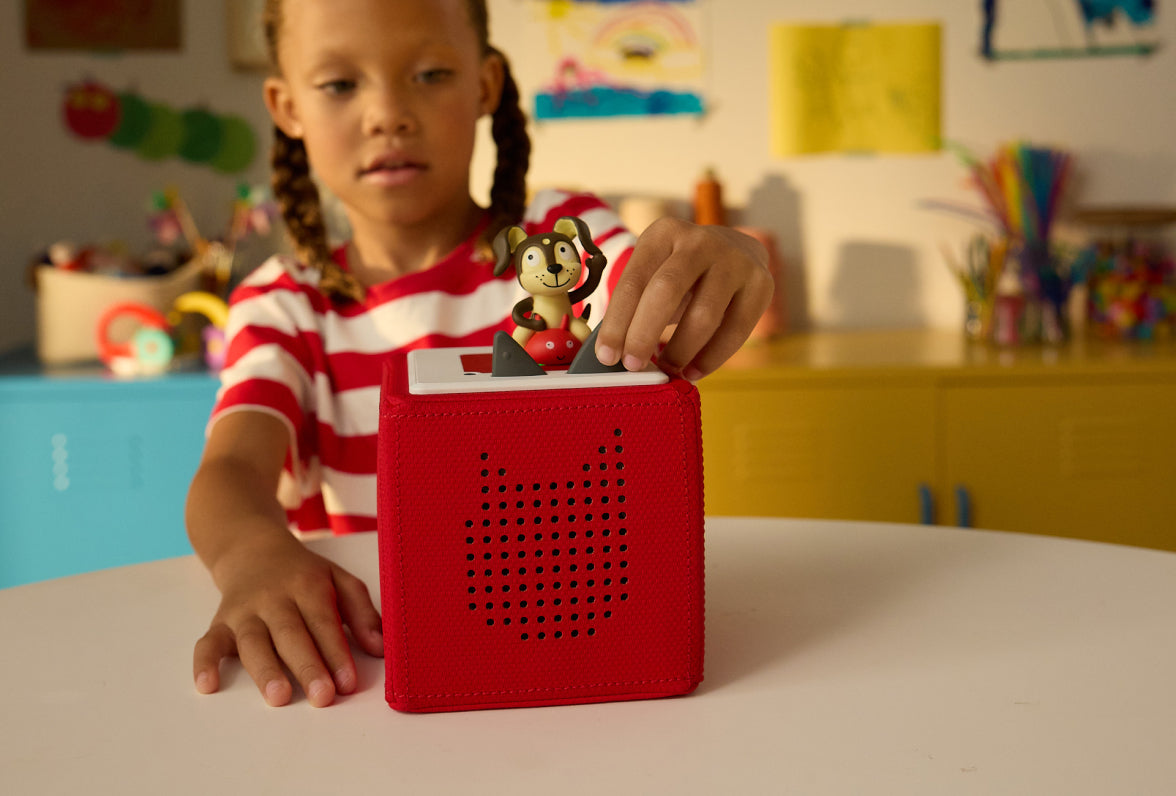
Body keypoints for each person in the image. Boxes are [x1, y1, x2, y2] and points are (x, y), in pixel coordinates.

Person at [187, 0, 772, 708]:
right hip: (383, 664)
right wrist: (252, 554)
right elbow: (229, 471)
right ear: (285, 106)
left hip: (584, 639)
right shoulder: (284, 302)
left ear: (486, 86)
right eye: (341, 85)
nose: (388, 114)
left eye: (430, 73)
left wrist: (715, 260)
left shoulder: (559, 234)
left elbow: (648, 288)